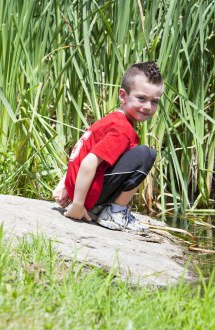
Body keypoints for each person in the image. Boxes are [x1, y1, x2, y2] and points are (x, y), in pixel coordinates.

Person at [53, 61, 164, 231]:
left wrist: (66, 185)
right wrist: (77, 204)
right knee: (145, 155)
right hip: (87, 196)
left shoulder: (112, 120)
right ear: (122, 95)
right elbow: (88, 162)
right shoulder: (122, 129)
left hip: (80, 189)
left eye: (154, 101)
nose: (148, 107)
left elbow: (83, 151)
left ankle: (102, 207)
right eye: (141, 98)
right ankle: (115, 212)